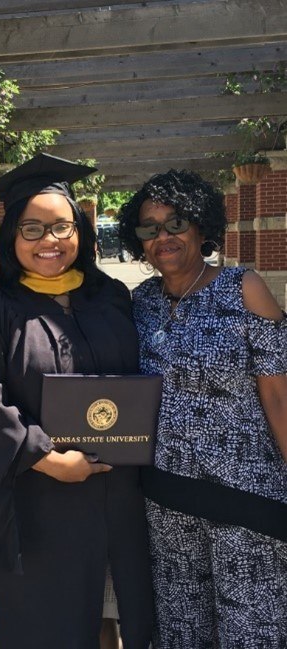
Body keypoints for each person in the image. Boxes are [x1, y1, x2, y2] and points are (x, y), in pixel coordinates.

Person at [0, 153, 154, 649]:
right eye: (32, 228)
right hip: (42, 501)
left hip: (123, 495)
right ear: (10, 236)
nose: (49, 242)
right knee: (48, 626)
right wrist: (42, 457)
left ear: (80, 232)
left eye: (61, 227)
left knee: (121, 616)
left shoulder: (109, 295)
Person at [118, 169, 287, 648]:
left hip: (246, 496)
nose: (162, 237)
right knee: (181, 632)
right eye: (149, 229)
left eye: (175, 223)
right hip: (167, 501)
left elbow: (278, 395)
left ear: (201, 227)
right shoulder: (140, 302)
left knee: (254, 631)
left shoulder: (244, 288)